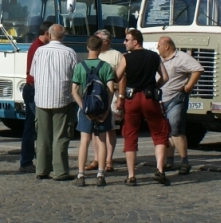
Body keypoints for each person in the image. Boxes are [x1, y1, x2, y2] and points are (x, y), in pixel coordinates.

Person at [115, 29, 170, 186]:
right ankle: (160, 170)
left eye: (127, 40)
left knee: (130, 134)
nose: (124, 43)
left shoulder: (126, 58)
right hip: (149, 97)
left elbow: (117, 77)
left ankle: (131, 176)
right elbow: (165, 77)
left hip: (131, 99)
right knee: (159, 133)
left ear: (135, 41)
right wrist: (154, 87)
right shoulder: (154, 56)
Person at [30, 24, 78, 180]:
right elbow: (75, 76)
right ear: (63, 36)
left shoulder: (39, 51)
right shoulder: (69, 52)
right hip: (62, 97)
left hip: (42, 97)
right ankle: (60, 171)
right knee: (60, 136)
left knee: (43, 135)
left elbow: (33, 73)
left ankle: (42, 169)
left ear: (49, 35)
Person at [156, 36, 204, 175]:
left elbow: (197, 69)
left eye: (159, 45)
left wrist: (189, 86)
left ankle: (184, 161)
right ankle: (169, 161)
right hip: (161, 99)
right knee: (167, 130)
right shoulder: (159, 59)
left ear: (167, 46)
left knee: (176, 128)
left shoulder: (182, 57)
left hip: (176, 97)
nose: (157, 47)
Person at [72, 36, 114, 187]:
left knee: (84, 142)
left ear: (87, 47)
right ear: (101, 47)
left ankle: (81, 175)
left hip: (86, 110)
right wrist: (107, 109)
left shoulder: (79, 67)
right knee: (102, 141)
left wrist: (83, 107)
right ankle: (100, 174)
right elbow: (110, 90)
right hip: (101, 109)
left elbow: (74, 91)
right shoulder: (106, 67)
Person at [85, 29, 122, 173]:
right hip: (94, 97)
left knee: (110, 128)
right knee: (95, 129)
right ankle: (96, 158)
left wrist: (120, 97)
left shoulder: (116, 55)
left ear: (106, 41)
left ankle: (108, 160)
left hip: (111, 96)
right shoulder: (94, 54)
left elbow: (122, 78)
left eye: (98, 39)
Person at [19, 21, 53, 173]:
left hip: (33, 88)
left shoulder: (37, 46)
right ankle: (26, 161)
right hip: (33, 89)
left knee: (34, 126)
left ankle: (32, 160)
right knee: (32, 127)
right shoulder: (38, 48)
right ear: (46, 33)